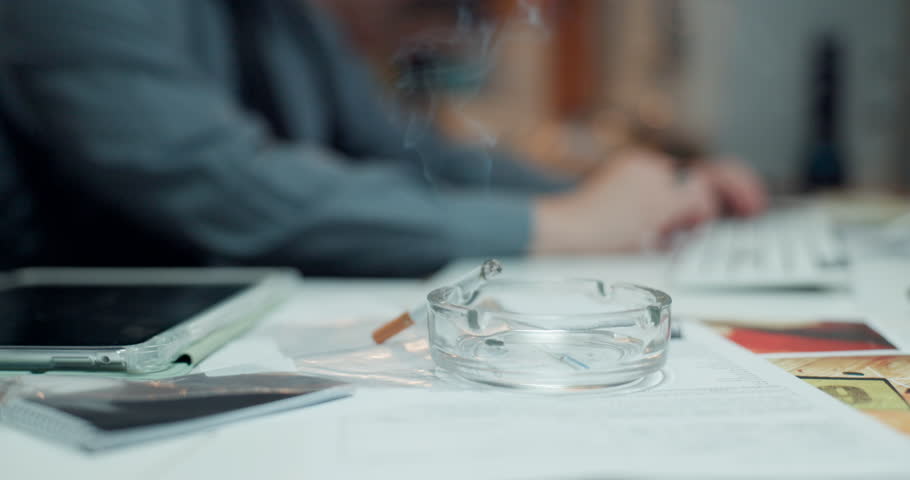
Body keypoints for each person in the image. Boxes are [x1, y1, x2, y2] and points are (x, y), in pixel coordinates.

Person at [0, 0, 765, 277]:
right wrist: (562, 225)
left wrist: (635, 194)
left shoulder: (285, 19)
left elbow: (415, 154)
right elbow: (224, 182)